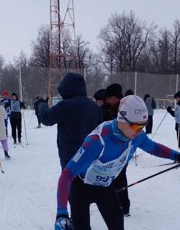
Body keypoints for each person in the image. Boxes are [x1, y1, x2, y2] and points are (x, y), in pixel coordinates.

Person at [54, 95, 180, 230]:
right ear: (122, 119)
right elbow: (67, 174)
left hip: (105, 188)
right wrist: (61, 213)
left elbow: (154, 148)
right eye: (137, 126)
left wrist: (177, 156)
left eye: (143, 126)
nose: (140, 132)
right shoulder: (98, 140)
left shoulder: (136, 136)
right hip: (81, 188)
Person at [38, 73, 102, 229]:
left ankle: (79, 222)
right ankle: (81, 219)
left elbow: (46, 118)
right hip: (90, 156)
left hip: (69, 156)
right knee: (84, 189)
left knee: (73, 189)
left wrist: (41, 104)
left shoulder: (66, 105)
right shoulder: (93, 106)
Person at [104, 83, 130, 216]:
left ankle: (124, 207)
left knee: (119, 179)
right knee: (115, 179)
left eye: (109, 98)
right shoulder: (112, 109)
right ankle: (120, 204)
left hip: (121, 153)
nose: (107, 101)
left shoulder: (122, 110)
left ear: (116, 97)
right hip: (115, 153)